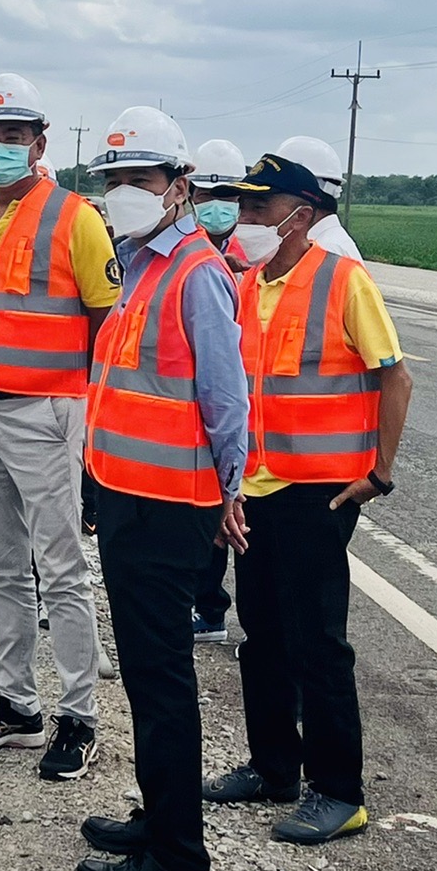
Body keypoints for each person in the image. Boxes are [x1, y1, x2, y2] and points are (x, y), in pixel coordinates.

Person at [67, 107, 253, 871]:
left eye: (140, 178)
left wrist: (231, 490)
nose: (124, 192)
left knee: (163, 679)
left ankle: (179, 863)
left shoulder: (196, 272)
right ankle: (159, 817)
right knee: (146, 677)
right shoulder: (138, 264)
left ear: (179, 186)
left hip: (169, 503)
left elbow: (225, 397)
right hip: (127, 496)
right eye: (114, 179)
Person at [205, 146, 414, 845]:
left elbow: (395, 378)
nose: (244, 217)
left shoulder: (343, 280)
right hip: (256, 489)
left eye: (257, 207)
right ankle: (273, 769)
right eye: (241, 205)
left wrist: (379, 472)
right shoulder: (247, 286)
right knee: (261, 634)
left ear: (299, 215)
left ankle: (339, 791)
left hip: (319, 492)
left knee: (318, 643)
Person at [0, 73, 118, 783]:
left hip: (45, 412)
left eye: (12, 136)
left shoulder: (75, 218)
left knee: (61, 567)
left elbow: (107, 319)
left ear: (39, 144)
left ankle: (79, 716)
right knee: (2, 566)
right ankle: (16, 704)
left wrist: (84, 404)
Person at [184, 137, 251, 643]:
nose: (217, 205)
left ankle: (219, 611)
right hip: (199, 402)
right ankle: (206, 606)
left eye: (227, 194)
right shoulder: (184, 254)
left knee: (233, 513)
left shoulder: (252, 254)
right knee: (206, 511)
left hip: (243, 403)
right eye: (207, 194)